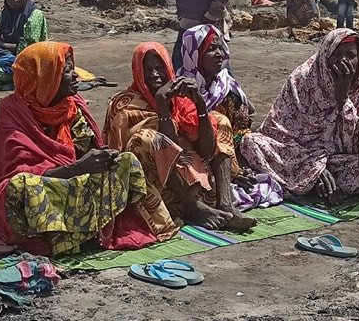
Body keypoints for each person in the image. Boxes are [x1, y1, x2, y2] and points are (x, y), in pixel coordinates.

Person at [0, 42, 163, 257]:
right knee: (22, 187)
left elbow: (87, 150)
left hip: (75, 183)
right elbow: (16, 176)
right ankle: (57, 236)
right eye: (67, 71)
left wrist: (104, 158)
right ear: (45, 76)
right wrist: (77, 168)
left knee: (128, 162)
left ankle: (86, 232)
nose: (76, 77)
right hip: (45, 188)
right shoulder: (14, 111)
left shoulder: (73, 106)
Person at [105, 42, 256, 231]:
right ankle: (194, 207)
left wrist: (200, 103)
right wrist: (161, 103)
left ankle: (225, 204)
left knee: (220, 121)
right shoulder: (125, 104)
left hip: (189, 167)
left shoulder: (179, 97)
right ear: (137, 71)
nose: (154, 74)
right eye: (148, 69)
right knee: (148, 138)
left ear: (168, 67)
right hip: (158, 180)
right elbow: (169, 145)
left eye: (159, 68)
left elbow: (208, 149)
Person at [240, 29, 359, 199]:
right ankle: (315, 182)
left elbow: (352, 143)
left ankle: (308, 185)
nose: (344, 60)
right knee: (251, 142)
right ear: (325, 55)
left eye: (351, 55)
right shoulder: (302, 79)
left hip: (338, 159)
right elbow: (279, 129)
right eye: (338, 54)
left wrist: (343, 98)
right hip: (298, 156)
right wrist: (314, 167)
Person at [177, 24, 253, 148]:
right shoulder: (180, 89)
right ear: (195, 54)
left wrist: (222, 143)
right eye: (211, 49)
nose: (219, 54)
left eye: (220, 48)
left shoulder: (227, 87)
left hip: (227, 152)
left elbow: (241, 130)